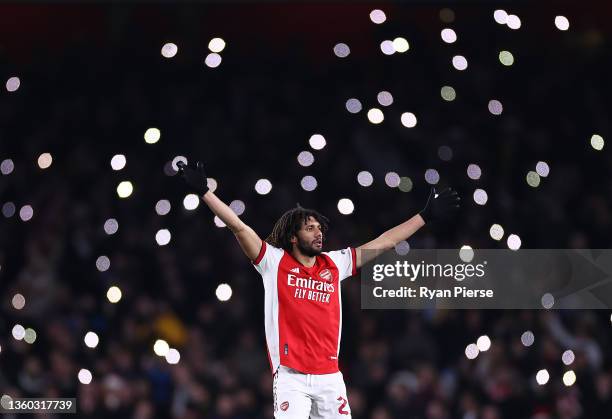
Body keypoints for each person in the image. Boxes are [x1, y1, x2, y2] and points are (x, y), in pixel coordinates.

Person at [176, 160, 460, 418]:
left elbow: (384, 242)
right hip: (291, 377)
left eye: (319, 228)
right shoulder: (273, 262)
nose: (318, 232)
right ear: (293, 237)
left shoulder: (335, 263)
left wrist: (424, 216)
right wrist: (205, 193)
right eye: (309, 228)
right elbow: (238, 227)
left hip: (329, 377)